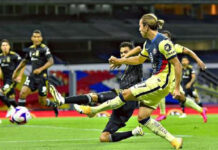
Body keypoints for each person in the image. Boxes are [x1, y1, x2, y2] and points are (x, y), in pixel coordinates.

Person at [73, 13, 183, 149]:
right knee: (142, 117)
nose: (139, 29)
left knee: (125, 94)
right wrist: (121, 60)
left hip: (160, 81)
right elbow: (139, 59)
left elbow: (177, 64)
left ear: (147, 27)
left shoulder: (163, 42)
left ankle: (94, 110)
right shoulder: (148, 44)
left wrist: (177, 88)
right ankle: (174, 140)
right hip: (157, 82)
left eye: (140, 26)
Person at [49, 41, 144, 142]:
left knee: (95, 97)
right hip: (122, 106)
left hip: (128, 98)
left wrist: (120, 60)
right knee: (104, 138)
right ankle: (135, 132)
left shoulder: (136, 61)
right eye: (121, 53)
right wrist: (121, 61)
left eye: (126, 52)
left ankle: (65, 101)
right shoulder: (127, 67)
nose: (123, 54)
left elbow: (138, 48)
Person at [155, 30, 207, 122]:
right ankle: (201, 110)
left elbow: (188, 51)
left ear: (169, 40)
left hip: (173, 79)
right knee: (161, 92)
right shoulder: (158, 49)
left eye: (165, 38)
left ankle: (200, 110)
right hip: (164, 78)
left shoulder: (174, 47)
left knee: (181, 98)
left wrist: (198, 60)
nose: (163, 40)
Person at [12, 30, 58, 117]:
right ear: (32, 38)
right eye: (35, 37)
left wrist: (40, 69)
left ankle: (54, 105)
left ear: (41, 38)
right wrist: (16, 71)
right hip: (32, 77)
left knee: (42, 102)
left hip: (42, 78)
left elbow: (51, 61)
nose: (36, 39)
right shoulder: (30, 49)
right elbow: (24, 61)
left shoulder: (44, 48)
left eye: (38, 37)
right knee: (22, 93)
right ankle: (19, 116)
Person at [0, 39, 23, 117]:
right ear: (1, 47)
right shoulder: (0, 57)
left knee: (0, 93)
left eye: (6, 45)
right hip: (5, 80)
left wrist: (19, 76)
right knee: (11, 99)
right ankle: (22, 113)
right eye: (3, 45)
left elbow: (23, 64)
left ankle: (10, 108)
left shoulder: (14, 55)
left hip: (12, 80)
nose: (5, 47)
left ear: (9, 46)